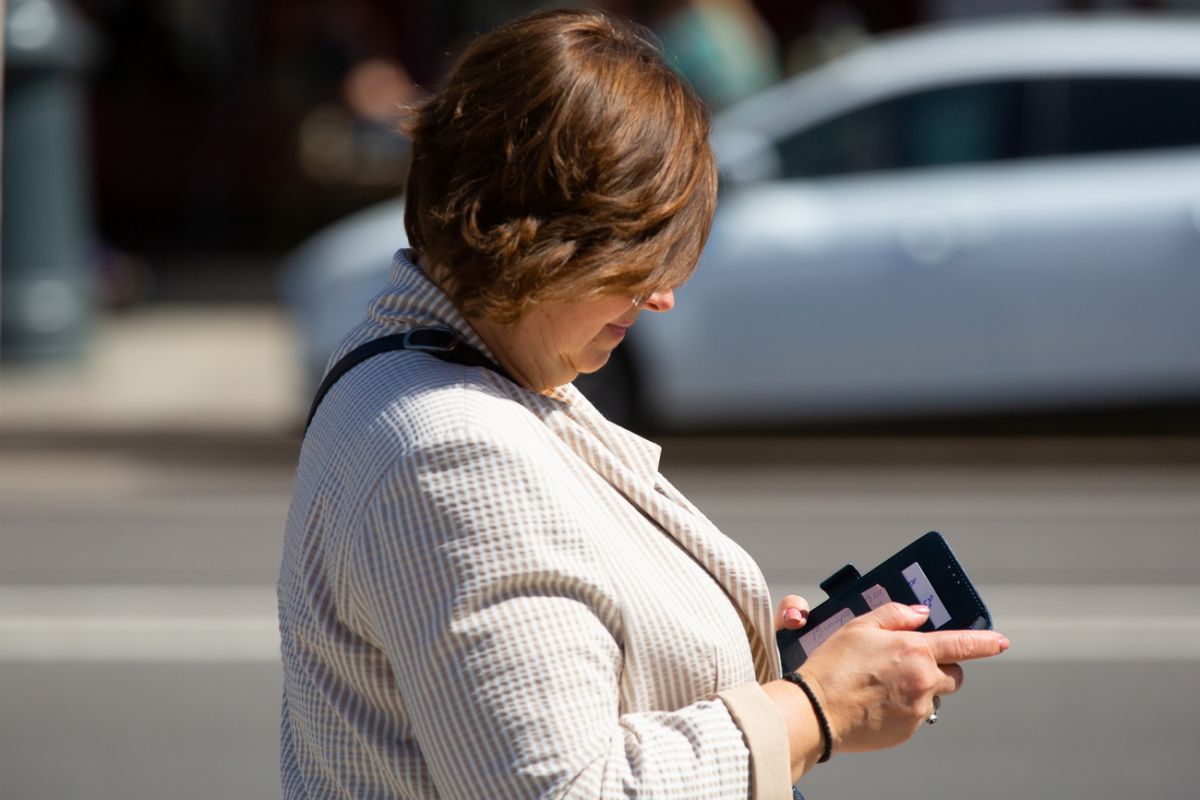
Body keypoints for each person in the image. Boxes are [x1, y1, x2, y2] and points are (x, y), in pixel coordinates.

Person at [276, 8, 1009, 799]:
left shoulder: (427, 358)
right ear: (535, 235)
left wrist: (735, 658)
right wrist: (814, 710)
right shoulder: (453, 450)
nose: (661, 296)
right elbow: (561, 789)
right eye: (636, 259)